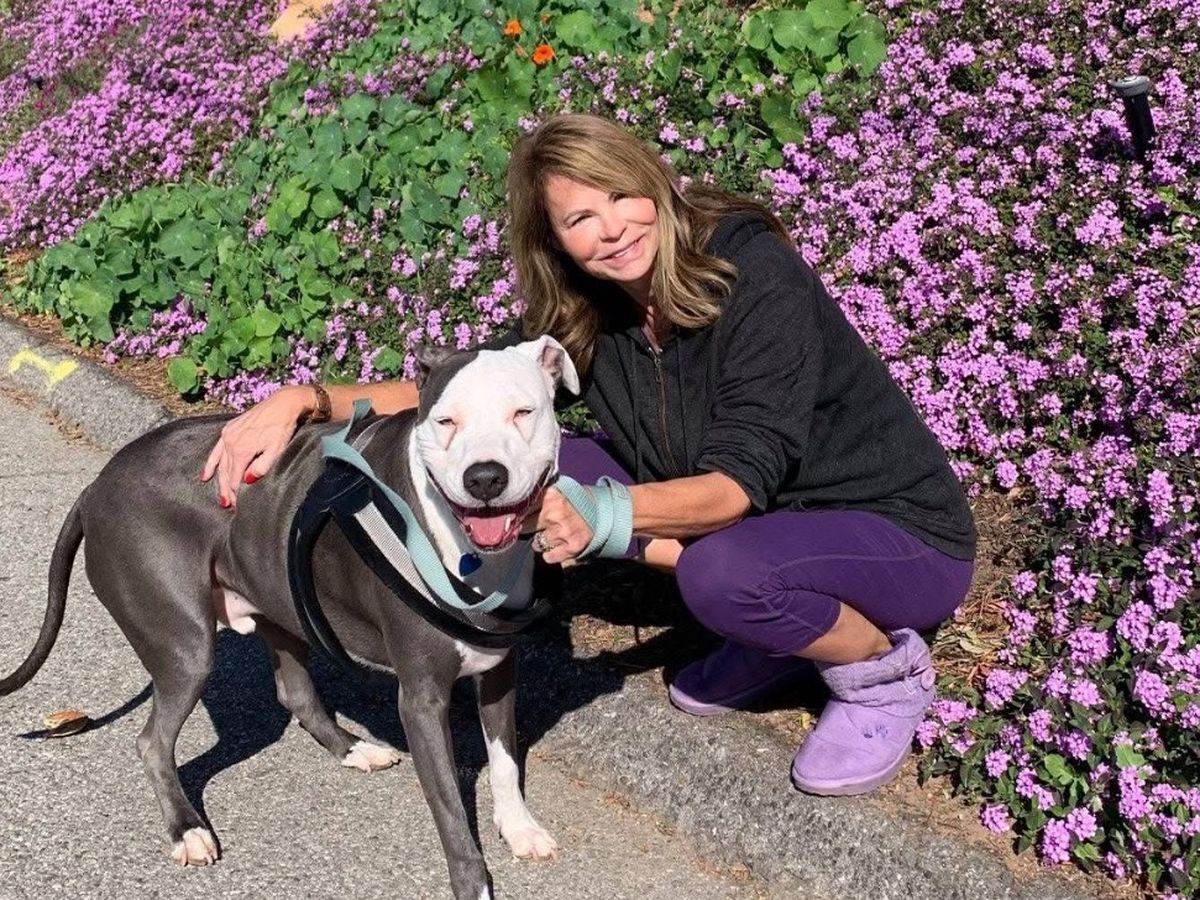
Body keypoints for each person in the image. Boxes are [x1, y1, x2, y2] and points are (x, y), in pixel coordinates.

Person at [202, 113, 976, 796]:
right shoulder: (586, 307)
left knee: (720, 573)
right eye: (580, 217)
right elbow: (456, 388)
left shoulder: (753, 274)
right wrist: (306, 399)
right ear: (555, 240)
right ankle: (781, 633)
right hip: (775, 523)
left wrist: (600, 514)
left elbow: (736, 489)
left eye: (621, 195)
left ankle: (880, 671)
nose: (612, 228)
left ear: (657, 185)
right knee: (553, 465)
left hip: (898, 537)